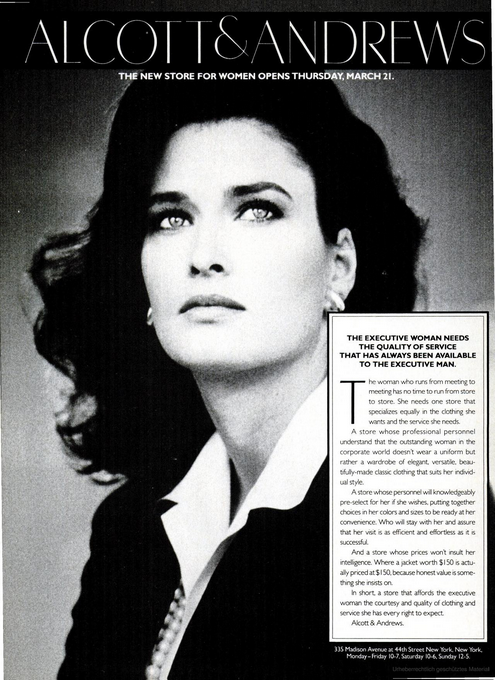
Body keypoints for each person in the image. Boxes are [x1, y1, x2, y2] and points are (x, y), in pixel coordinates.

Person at [29, 78, 425, 680]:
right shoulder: (130, 529)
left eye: (258, 209)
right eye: (171, 218)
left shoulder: (407, 520)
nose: (203, 254)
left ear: (339, 267)